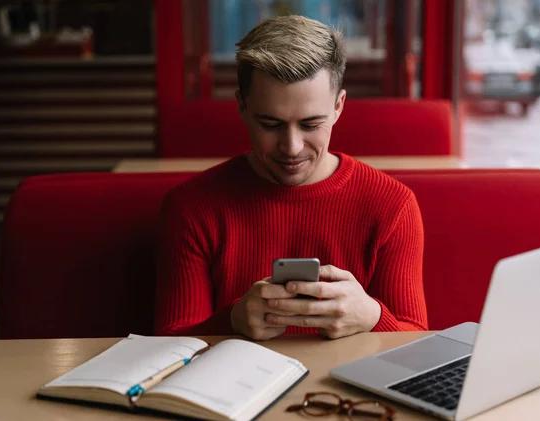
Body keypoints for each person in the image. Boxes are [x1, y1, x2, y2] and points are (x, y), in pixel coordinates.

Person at [155, 15, 428, 341]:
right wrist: (232, 321)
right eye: (270, 124)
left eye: (311, 125)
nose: (292, 148)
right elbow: (169, 345)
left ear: (339, 106)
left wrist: (372, 315)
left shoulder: (392, 206)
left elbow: (415, 342)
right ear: (241, 106)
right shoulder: (191, 208)